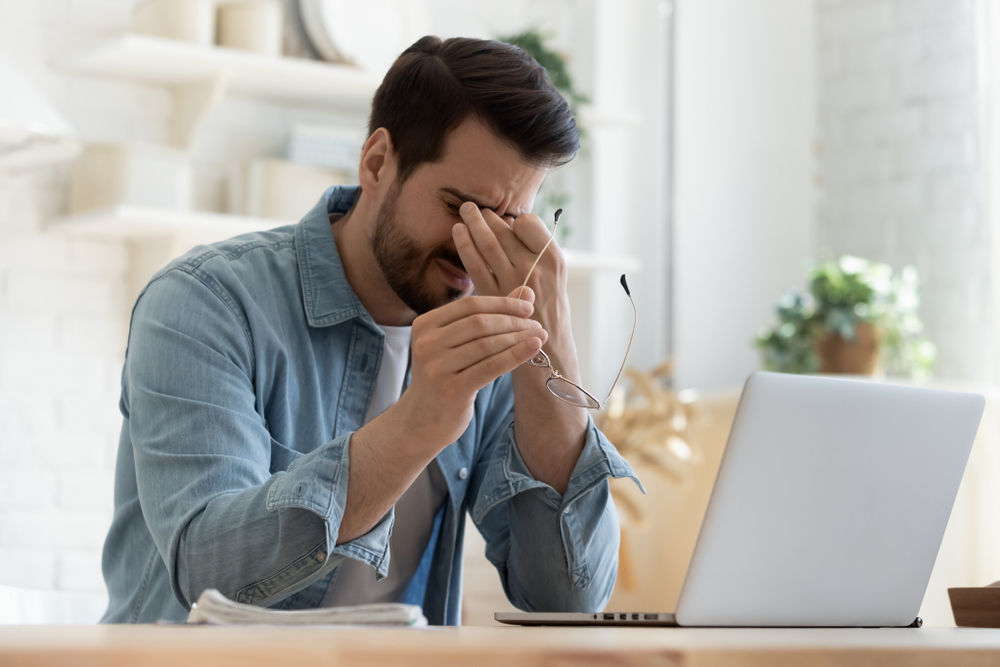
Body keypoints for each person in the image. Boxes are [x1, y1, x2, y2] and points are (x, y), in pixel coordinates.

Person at [101, 35, 641, 624]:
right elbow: (210, 575)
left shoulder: (499, 341)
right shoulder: (205, 303)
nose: (475, 245)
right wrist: (420, 421)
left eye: (507, 221)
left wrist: (553, 359)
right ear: (378, 161)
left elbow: (569, 602)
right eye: (460, 207)